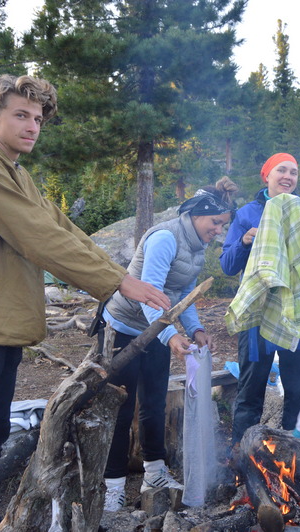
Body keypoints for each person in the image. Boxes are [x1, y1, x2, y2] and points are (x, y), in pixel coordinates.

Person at [0, 75, 170, 528]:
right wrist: (115, 283)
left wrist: (121, 275)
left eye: (37, 118)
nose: (32, 126)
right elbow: (38, 238)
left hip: (1, 328)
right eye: (21, 115)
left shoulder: (16, 173)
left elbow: (62, 229)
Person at [100, 177, 238, 512]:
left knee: (154, 404)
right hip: (125, 328)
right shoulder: (165, 238)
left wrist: (195, 330)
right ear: (195, 215)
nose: (219, 231)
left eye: (224, 225)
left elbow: (184, 296)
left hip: (159, 328)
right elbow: (149, 294)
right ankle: (113, 486)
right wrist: (170, 335)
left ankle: (155, 473)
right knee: (120, 405)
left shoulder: (196, 246)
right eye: (216, 223)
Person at [220, 153, 300, 448]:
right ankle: (240, 457)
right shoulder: (247, 214)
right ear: (266, 176)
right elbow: (227, 266)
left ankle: (295, 458)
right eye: (281, 170)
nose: (288, 176)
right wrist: (245, 241)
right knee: (251, 389)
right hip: (259, 314)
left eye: (293, 172)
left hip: (296, 311)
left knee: (298, 390)